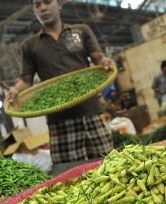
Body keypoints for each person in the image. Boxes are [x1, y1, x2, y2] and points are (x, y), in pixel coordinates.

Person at [7, 0, 114, 164]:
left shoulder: (81, 31)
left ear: (60, 5)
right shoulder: (30, 45)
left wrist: (106, 62)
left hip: (89, 110)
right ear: (35, 11)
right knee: (68, 173)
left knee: (108, 163)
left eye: (48, 2)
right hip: (59, 118)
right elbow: (25, 80)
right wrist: (15, 90)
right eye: (37, 5)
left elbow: (99, 59)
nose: (43, 8)